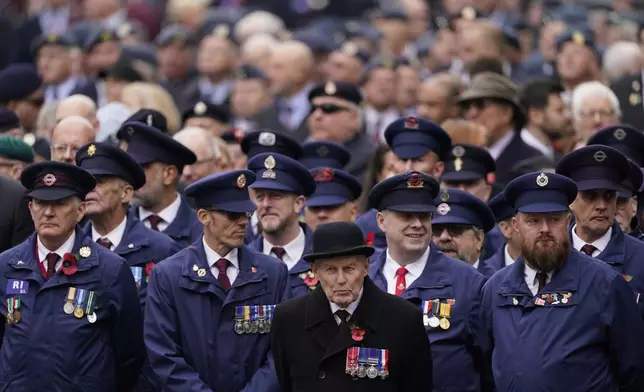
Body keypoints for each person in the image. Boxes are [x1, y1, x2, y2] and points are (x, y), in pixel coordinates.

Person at [481, 171, 644, 391]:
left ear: (568, 220)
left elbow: (633, 371)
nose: (545, 230)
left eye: (554, 219)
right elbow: (485, 365)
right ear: (516, 224)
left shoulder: (605, 284)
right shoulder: (495, 288)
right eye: (533, 221)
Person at [0, 161, 144, 391]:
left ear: (80, 211)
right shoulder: (5, 265)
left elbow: (130, 354)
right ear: (30, 208)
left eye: (59, 203)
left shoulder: (110, 270)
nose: (48, 212)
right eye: (40, 203)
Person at [144, 169, 288, 391]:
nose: (242, 223)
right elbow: (163, 354)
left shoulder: (273, 272)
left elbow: (280, 350)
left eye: (246, 215)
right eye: (232, 215)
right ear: (204, 216)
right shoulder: (169, 276)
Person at [271, 221, 432, 391]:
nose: (340, 279)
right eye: (331, 270)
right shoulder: (289, 319)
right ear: (315, 271)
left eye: (349, 268)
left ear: (365, 267)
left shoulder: (404, 319)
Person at [367, 171, 490, 392]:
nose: (417, 224)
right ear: (381, 221)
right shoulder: (362, 277)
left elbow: (488, 363)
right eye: (406, 215)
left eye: (424, 216)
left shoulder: (467, 282)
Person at [76, 142, 183, 307]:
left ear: (125, 193)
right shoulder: (70, 247)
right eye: (84, 183)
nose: (89, 189)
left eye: (99, 181)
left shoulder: (161, 250)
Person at [556, 145, 644, 317]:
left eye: (609, 195)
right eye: (590, 195)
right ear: (571, 201)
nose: (602, 205)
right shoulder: (550, 256)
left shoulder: (640, 258)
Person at [246, 153, 317, 297]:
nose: (265, 205)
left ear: (298, 204)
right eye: (260, 197)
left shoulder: (323, 257)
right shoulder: (242, 261)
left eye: (276, 196)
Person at [123, 121, 203, 247]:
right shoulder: (118, 226)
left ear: (169, 174)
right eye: (128, 169)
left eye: (139, 169)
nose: (130, 178)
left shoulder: (202, 231)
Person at [431, 188, 498, 277]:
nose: (444, 237)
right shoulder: (416, 282)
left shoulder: (496, 285)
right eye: (436, 230)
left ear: (479, 239)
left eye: (455, 230)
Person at [484, 191, 520, 271]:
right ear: (506, 229)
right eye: (532, 221)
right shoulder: (484, 277)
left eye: (553, 219)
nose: (544, 228)